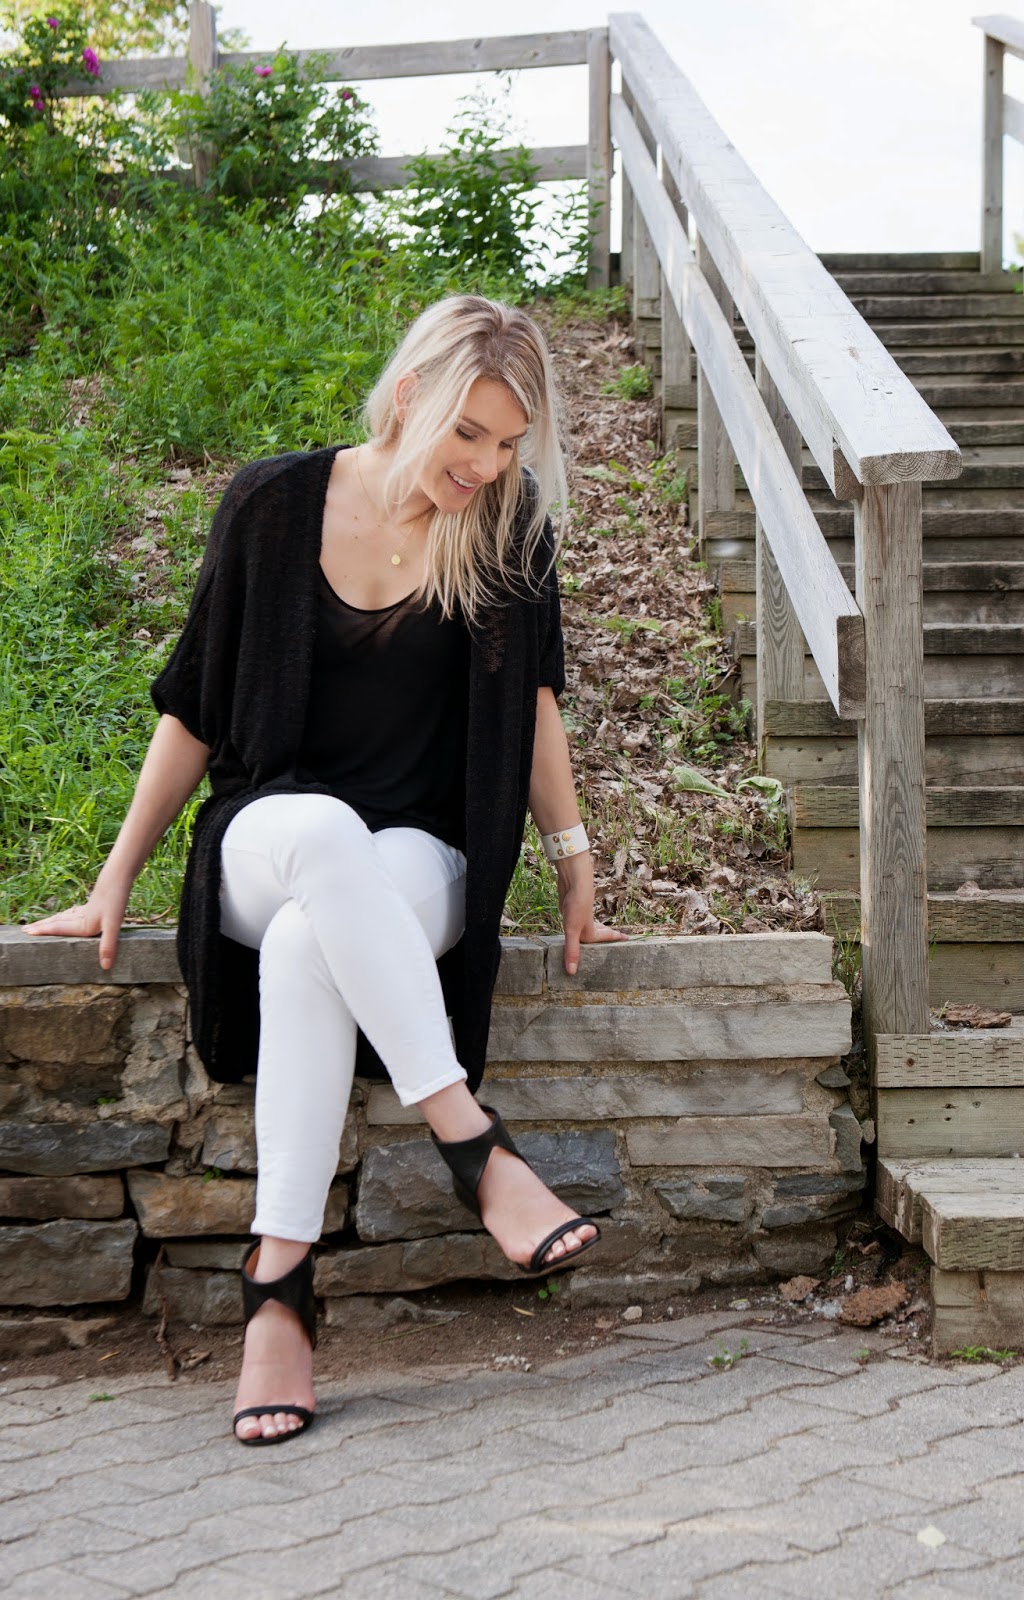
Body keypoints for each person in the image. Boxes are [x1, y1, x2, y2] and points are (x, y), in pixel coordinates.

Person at [27, 293, 626, 1447]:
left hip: (421, 854)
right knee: (315, 838)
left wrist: (570, 855)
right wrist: (115, 876)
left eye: (507, 445)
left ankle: (280, 1289)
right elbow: (195, 706)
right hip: (271, 833)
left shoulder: (507, 529)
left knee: (317, 936)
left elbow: (535, 705)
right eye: (469, 434)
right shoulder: (272, 502)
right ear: (410, 398)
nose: (485, 465)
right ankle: (474, 1145)